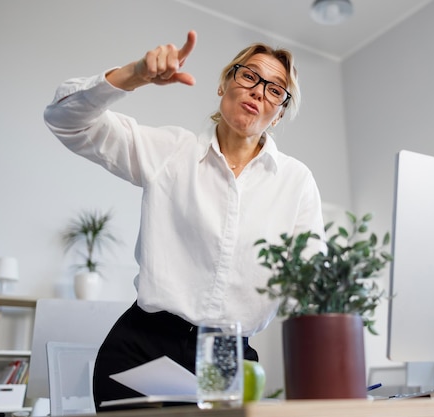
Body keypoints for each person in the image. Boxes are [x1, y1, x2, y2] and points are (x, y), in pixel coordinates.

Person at [43, 30, 325, 409]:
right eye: (250, 76)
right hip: (142, 347)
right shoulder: (171, 152)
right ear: (224, 84)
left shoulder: (296, 182)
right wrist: (136, 74)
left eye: (276, 90)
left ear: (278, 116)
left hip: (227, 357)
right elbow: (66, 121)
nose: (259, 91)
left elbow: (315, 284)